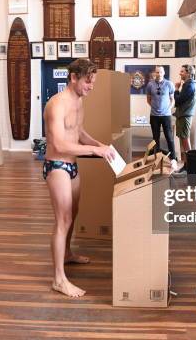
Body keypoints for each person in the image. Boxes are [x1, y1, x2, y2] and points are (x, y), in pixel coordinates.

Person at [43, 58, 116, 298]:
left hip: (72, 166)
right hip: (57, 166)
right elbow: (59, 143)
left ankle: (67, 254)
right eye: (88, 80)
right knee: (62, 220)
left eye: (93, 81)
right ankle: (58, 279)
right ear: (74, 77)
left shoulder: (79, 101)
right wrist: (95, 151)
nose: (91, 86)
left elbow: (78, 132)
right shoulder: (57, 104)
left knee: (73, 214)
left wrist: (100, 144)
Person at [146, 66, 177, 162]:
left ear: (163, 73)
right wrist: (155, 108)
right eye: (156, 72)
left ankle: (173, 158)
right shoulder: (150, 84)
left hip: (166, 116)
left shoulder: (169, 84)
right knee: (155, 138)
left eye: (160, 72)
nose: (158, 74)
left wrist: (168, 108)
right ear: (154, 73)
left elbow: (172, 99)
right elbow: (148, 99)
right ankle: (157, 158)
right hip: (154, 116)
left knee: (169, 137)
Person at [173, 64, 196, 174]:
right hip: (183, 115)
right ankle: (187, 165)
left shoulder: (189, 85)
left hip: (185, 116)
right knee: (183, 142)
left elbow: (178, 101)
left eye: (182, 71)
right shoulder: (188, 84)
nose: (180, 73)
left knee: (185, 142)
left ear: (188, 73)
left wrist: (176, 89)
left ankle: (190, 167)